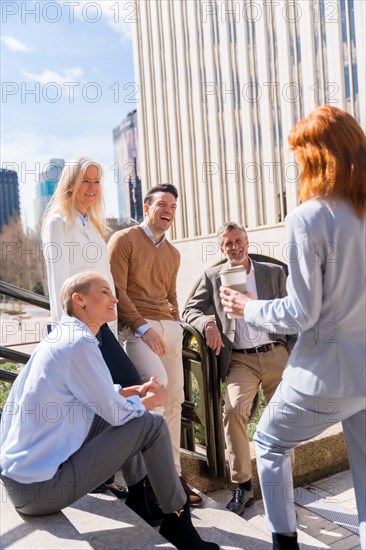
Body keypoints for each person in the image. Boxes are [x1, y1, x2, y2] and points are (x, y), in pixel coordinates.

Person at [219, 106, 366, 550]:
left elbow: (302, 312)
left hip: (326, 374)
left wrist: (248, 308)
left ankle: (285, 544)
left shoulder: (309, 216)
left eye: (299, 153)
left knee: (267, 442)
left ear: (317, 157)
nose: (296, 163)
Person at [0, 272, 218, 550]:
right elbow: (116, 414)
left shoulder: (64, 337)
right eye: (104, 292)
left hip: (22, 480)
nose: (115, 298)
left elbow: (97, 396)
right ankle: (178, 523)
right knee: (149, 424)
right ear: (79, 300)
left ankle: (141, 501)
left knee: (131, 414)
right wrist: (153, 399)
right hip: (39, 491)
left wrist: (134, 392)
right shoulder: (78, 343)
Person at [42, 158, 140, 498]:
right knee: (120, 387)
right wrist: (64, 333)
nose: (92, 188)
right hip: (78, 329)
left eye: (97, 182)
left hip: (101, 326)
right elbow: (60, 284)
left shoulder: (94, 225)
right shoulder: (59, 223)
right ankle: (100, 476)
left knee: (115, 390)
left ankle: (102, 475)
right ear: (71, 184)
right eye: (86, 181)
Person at [184, 222, 295, 516]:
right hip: (240, 360)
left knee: (286, 419)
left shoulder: (273, 273)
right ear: (222, 249)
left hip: (276, 354)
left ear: (246, 243)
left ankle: (283, 488)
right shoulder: (212, 276)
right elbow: (189, 310)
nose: (233, 247)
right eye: (227, 244)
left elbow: (293, 310)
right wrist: (207, 324)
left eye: (238, 241)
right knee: (232, 411)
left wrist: (292, 351)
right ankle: (244, 486)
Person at [108, 184, 203, 507]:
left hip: (170, 330)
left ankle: (173, 476)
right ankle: (151, 483)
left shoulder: (173, 253)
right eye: (162, 204)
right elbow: (117, 292)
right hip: (140, 331)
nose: (169, 210)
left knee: (175, 402)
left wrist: (176, 323)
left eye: (173, 206)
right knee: (157, 399)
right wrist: (143, 327)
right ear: (146, 207)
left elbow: (173, 296)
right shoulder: (124, 241)